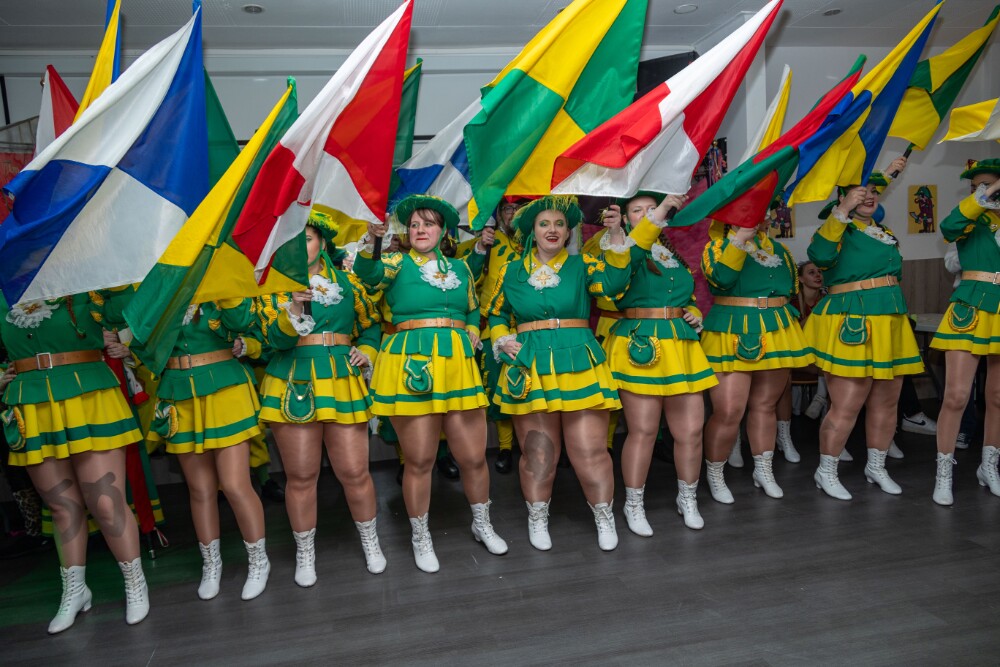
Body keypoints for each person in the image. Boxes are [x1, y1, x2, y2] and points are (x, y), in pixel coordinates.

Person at [487, 195, 660, 551]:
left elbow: (613, 285)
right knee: (538, 455)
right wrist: (502, 338)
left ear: (568, 233)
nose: (552, 230)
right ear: (532, 232)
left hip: (579, 359)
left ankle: (604, 516)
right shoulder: (511, 271)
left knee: (590, 451)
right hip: (530, 364)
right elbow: (497, 313)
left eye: (559, 224)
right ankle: (537, 517)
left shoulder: (583, 265)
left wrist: (617, 234)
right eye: (544, 224)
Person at [356, 195, 507, 573]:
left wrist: (471, 328)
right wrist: (373, 240)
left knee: (473, 456)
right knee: (420, 460)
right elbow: (368, 275)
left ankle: (482, 524)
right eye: (414, 225)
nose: (420, 230)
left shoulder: (460, 267)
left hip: (456, 363)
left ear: (443, 231)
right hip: (413, 362)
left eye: (428, 224)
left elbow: (472, 307)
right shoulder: (395, 262)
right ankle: (420, 536)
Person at [1, 290, 148, 633]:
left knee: (106, 500)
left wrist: (112, 279)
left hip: (88, 392)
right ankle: (75, 590)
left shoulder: (84, 281)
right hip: (31, 399)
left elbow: (124, 311)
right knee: (61, 505)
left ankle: (135, 583)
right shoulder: (5, 286)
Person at [257, 212, 386, 582]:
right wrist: (294, 309)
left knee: (355, 472)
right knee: (301, 476)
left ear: (323, 243)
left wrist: (366, 351)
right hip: (293, 379)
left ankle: (371, 542)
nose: (301, 247)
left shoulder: (349, 282)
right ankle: (305, 554)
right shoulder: (271, 287)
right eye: (293, 240)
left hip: (342, 379)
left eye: (309, 238)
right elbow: (272, 341)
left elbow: (371, 325)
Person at [805, 158, 924, 500]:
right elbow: (819, 255)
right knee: (847, 404)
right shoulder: (836, 228)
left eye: (873, 191)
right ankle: (826, 471)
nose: (869, 196)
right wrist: (843, 210)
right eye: (861, 192)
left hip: (889, 318)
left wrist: (889, 170)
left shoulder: (882, 232)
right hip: (852, 319)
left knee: (887, 402)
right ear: (843, 199)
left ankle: (876, 466)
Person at [600, 192, 716, 533]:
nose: (648, 213)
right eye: (638, 210)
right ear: (626, 218)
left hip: (680, 343)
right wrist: (656, 214)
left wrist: (693, 312)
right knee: (644, 431)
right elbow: (614, 287)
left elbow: (686, 296)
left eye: (653, 208)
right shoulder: (619, 248)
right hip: (641, 343)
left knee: (691, 431)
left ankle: (688, 498)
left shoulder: (669, 253)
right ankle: (633, 505)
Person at [147, 297, 269, 601]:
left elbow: (243, 323)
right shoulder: (163, 286)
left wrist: (224, 295)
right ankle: (211, 565)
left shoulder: (224, 283)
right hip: (178, 389)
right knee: (199, 489)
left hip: (225, 386)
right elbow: (145, 341)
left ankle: (259, 562)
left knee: (235, 485)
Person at [700, 214, 813, 504]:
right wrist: (740, 239)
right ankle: (715, 474)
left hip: (776, 328)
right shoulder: (717, 247)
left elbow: (791, 289)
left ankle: (763, 471)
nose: (761, 216)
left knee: (765, 406)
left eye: (763, 210)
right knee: (728, 411)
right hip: (731, 328)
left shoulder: (779, 250)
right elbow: (721, 279)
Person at [929, 159, 1000, 505]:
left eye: (987, 184)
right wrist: (985, 195)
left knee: (997, 396)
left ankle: (989, 467)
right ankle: (944, 473)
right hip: (970, 306)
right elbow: (948, 227)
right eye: (976, 187)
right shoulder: (971, 217)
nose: (980, 190)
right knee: (956, 395)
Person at [457, 198, 525, 475]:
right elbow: (465, 281)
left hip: (530, 327)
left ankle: (533, 447)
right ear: (499, 214)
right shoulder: (487, 241)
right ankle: (506, 448)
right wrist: (481, 248)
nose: (514, 214)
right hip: (494, 329)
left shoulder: (538, 240)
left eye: (519, 208)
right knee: (499, 388)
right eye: (508, 209)